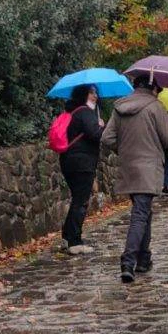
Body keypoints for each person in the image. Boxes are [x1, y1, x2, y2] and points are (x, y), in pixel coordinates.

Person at [101, 75, 168, 283]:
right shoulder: (155, 107)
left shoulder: (120, 107)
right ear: (152, 88)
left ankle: (144, 258)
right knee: (140, 215)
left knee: (144, 212)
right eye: (157, 89)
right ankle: (129, 261)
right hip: (149, 167)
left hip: (129, 167)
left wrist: (125, 151)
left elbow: (107, 138)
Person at [58, 85, 103, 255]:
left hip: (68, 161)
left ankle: (67, 237)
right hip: (82, 163)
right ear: (84, 94)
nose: (96, 96)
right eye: (92, 93)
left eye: (96, 93)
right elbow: (96, 134)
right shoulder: (85, 112)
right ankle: (74, 241)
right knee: (81, 202)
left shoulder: (72, 112)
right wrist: (100, 126)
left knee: (77, 200)